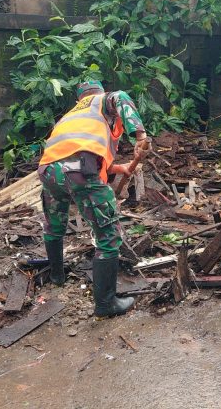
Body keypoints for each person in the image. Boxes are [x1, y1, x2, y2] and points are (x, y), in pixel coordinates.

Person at [38, 80, 148, 319]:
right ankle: (105, 304)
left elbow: (81, 155)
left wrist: (120, 168)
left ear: (79, 99)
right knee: (109, 236)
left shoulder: (70, 116)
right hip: (78, 170)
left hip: (48, 171)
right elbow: (120, 96)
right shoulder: (103, 101)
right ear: (98, 93)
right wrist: (139, 135)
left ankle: (57, 277)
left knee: (54, 225)